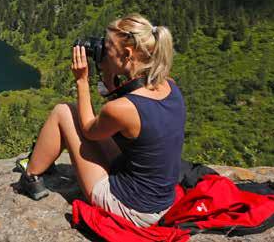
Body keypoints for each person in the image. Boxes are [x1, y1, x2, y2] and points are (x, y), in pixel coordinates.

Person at [18, 13, 186, 228]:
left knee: (64, 111)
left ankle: (31, 176)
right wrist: (109, 78)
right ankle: (41, 163)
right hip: (162, 200)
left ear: (126, 53)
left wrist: (81, 80)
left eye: (108, 49)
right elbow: (127, 118)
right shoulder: (170, 85)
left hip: (133, 208)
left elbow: (89, 130)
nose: (103, 53)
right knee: (80, 118)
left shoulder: (122, 109)